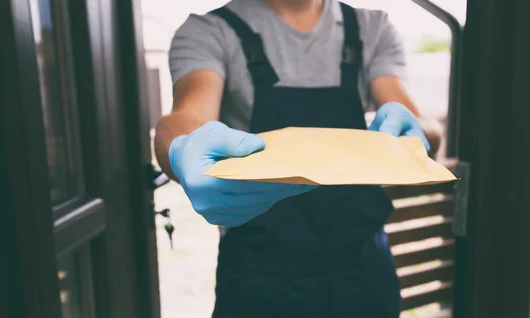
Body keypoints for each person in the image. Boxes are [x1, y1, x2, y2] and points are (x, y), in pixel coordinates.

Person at [155, 0, 442, 317]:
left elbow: (417, 120)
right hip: (259, 275)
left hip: (363, 268)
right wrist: (180, 148)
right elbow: (186, 114)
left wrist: (420, 130)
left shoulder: (371, 27)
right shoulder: (211, 31)